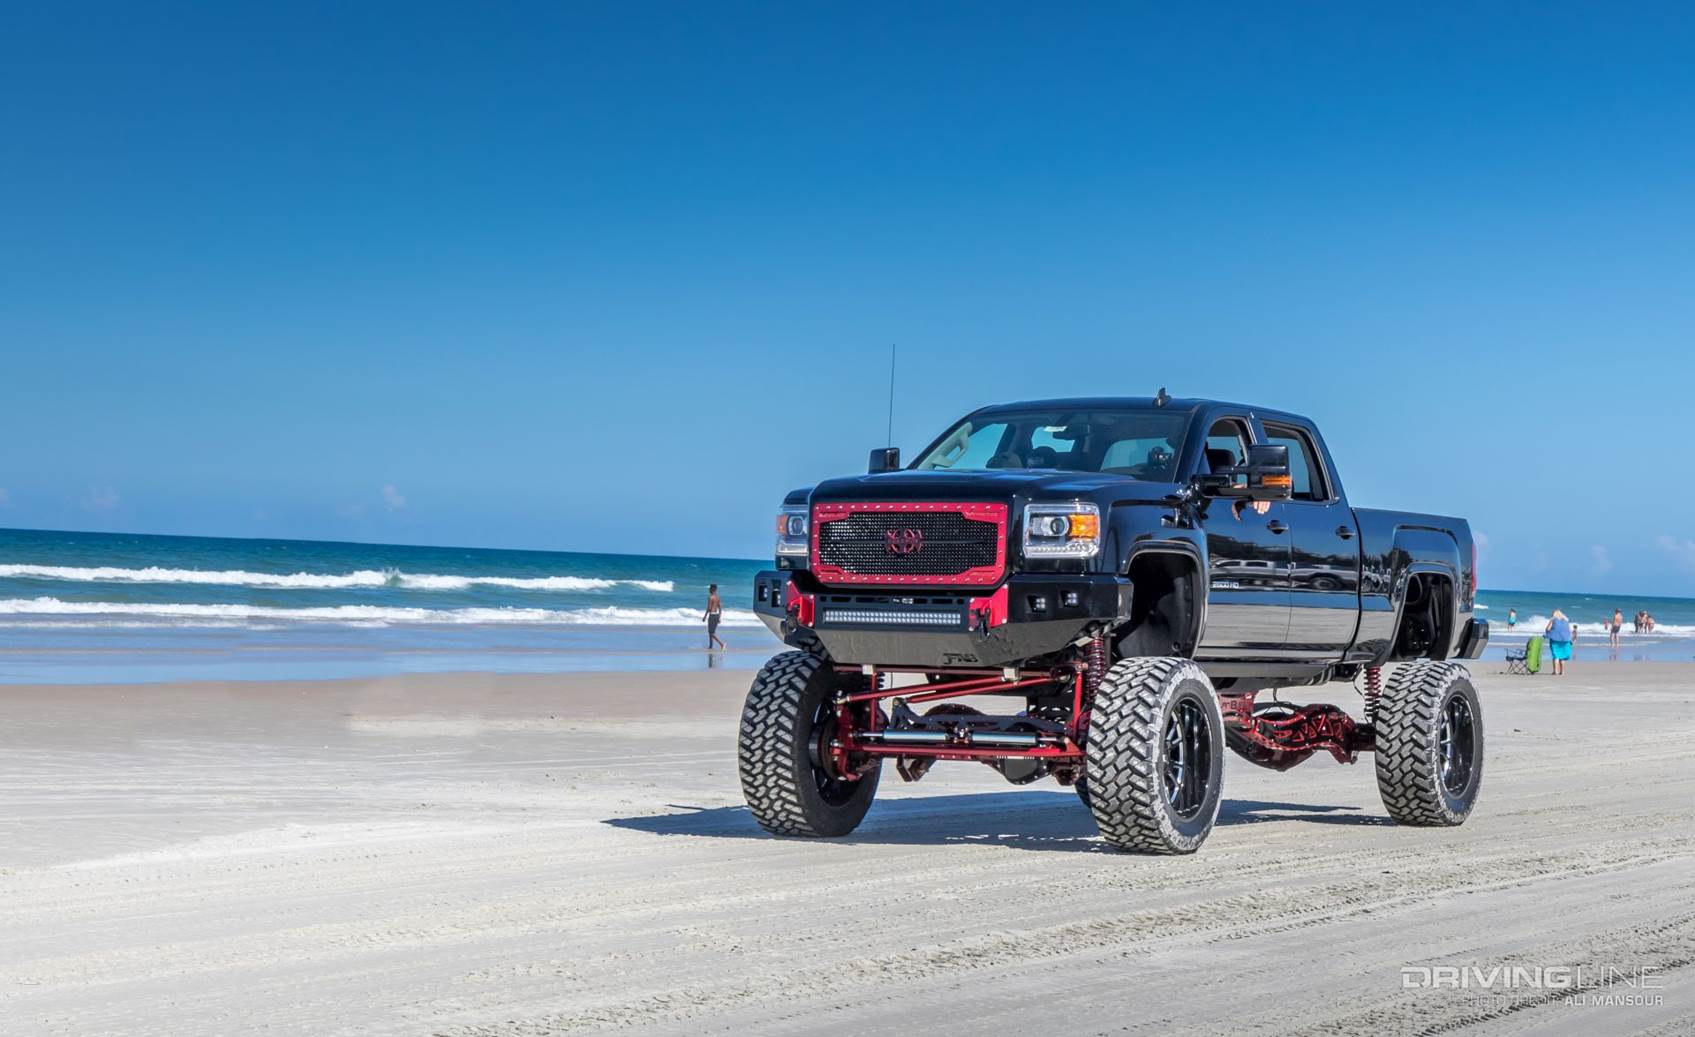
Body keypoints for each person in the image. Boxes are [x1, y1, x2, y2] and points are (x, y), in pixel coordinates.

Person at [1544, 609, 1573, 676]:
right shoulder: (1566, 620)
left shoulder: (1553, 619)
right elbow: (1569, 630)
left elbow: (1548, 629)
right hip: (1566, 640)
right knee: (1562, 656)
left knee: (1556, 655)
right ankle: (1562, 672)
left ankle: (1555, 671)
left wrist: (1548, 633)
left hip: (1555, 639)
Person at [703, 583, 726, 651]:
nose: (709, 589)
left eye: (710, 588)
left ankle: (721, 644)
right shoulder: (718, 597)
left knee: (711, 632)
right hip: (716, 615)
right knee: (712, 631)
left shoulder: (710, 597)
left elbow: (709, 608)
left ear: (712, 589)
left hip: (712, 615)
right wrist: (719, 617)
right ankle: (710, 646)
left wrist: (705, 616)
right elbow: (720, 608)